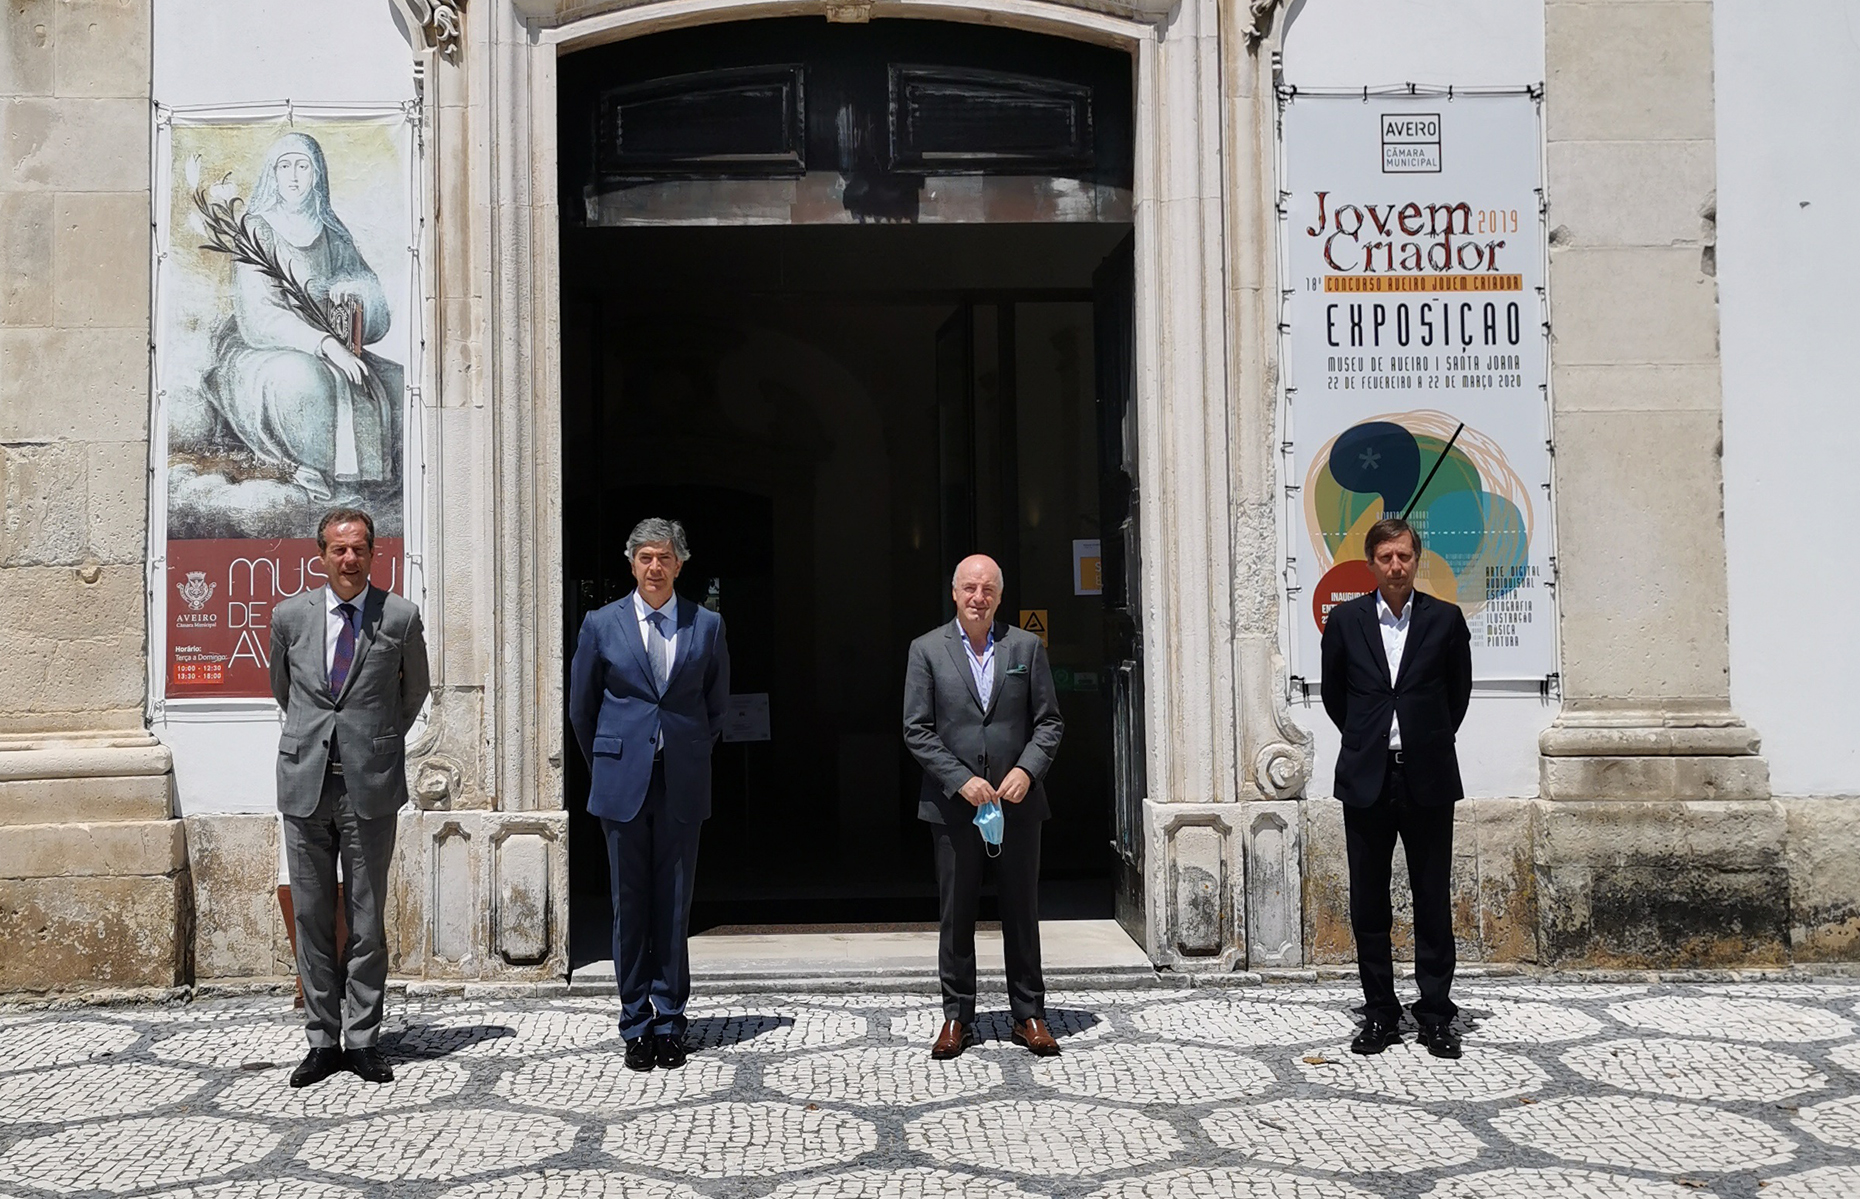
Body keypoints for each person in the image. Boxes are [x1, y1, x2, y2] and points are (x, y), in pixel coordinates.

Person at [269, 507, 429, 1087]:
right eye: (338, 550)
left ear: (373, 554)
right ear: (321, 555)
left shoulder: (401, 617)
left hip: (370, 786)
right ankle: (320, 1039)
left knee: (366, 918)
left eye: (359, 549)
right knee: (312, 916)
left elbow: (415, 693)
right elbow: (284, 692)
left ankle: (362, 1038)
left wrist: (375, 742)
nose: (349, 559)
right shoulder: (290, 616)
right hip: (306, 784)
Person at [569, 518, 730, 1072]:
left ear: (680, 564)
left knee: (675, 904)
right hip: (622, 784)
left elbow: (715, 706)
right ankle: (635, 1021)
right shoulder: (600, 623)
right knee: (629, 906)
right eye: (645, 558)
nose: (655, 567)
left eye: (664, 558)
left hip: (682, 781)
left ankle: (670, 1020)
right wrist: (610, 764)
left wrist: (684, 752)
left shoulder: (706, 625)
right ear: (631, 563)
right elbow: (582, 708)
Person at [1320, 517, 1473, 1059]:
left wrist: (1424, 740)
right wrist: (1369, 741)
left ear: (1417, 558)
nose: (1396, 566)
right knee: (1369, 902)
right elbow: (1336, 696)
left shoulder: (1446, 620)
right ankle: (1380, 1012)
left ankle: (1435, 1014)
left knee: (1432, 898)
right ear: (1372, 563)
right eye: (1385, 557)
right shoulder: (1345, 621)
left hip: (1427, 777)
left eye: (1404, 556)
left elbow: (1457, 696)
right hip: (1367, 778)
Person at [903, 554, 1065, 1059]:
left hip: (1017, 805)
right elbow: (916, 729)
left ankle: (1029, 1013)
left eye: (987, 589)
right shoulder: (927, 650)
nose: (978, 598)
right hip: (955, 809)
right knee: (957, 914)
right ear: (954, 593)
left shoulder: (1025, 648)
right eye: (969, 588)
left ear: (999, 595)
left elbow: (1049, 723)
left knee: (1022, 910)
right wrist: (961, 781)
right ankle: (957, 1016)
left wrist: (1025, 771)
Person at [205, 131, 401, 503]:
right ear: (272, 175)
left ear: (317, 176)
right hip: (263, 350)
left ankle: (370, 486)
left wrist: (355, 292)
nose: (293, 176)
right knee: (304, 381)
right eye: (284, 166)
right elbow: (259, 318)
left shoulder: (332, 234)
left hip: (331, 349)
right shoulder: (257, 229)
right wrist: (326, 345)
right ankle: (315, 476)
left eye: (302, 166)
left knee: (397, 383)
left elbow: (377, 316)